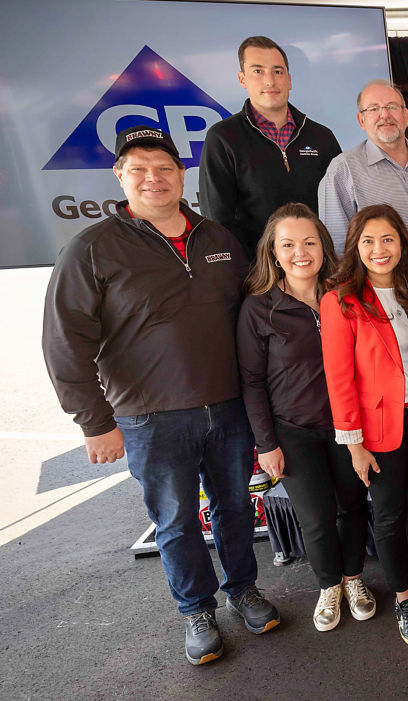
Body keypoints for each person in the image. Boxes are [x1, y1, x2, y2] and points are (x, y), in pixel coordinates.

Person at [43, 125, 279, 665]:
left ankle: (243, 589)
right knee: (175, 520)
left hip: (229, 407)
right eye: (139, 169)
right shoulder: (92, 249)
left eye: (164, 167)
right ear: (119, 176)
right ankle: (196, 609)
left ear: (182, 174)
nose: (154, 178)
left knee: (235, 509)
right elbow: (64, 342)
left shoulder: (219, 239)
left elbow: (253, 318)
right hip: (150, 417)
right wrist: (94, 422)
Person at [236, 203, 376, 633]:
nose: (301, 252)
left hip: (348, 428)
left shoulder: (345, 296)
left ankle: (354, 580)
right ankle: (329, 586)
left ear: (323, 247)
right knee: (316, 518)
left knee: (353, 507)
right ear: (274, 253)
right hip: (293, 431)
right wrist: (266, 445)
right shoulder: (259, 309)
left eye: (310, 242)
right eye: (289, 244)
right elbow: (251, 382)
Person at [320, 204, 408, 649]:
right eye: (369, 240)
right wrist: (353, 444)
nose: (380, 249)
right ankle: (402, 597)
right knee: (390, 514)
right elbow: (339, 379)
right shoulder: (341, 300)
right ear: (355, 246)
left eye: (388, 239)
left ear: (402, 243)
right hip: (378, 426)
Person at [199, 36, 342, 262]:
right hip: (257, 273)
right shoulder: (223, 138)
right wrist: (254, 271)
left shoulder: (322, 137)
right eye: (258, 71)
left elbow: (340, 209)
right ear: (242, 79)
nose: (270, 81)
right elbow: (218, 220)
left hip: (318, 268)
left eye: (278, 71)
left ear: (289, 79)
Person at [319, 79, 408, 256]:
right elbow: (337, 245)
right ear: (361, 120)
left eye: (392, 107)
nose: (385, 115)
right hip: (387, 275)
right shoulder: (343, 170)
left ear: (406, 115)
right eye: (374, 109)